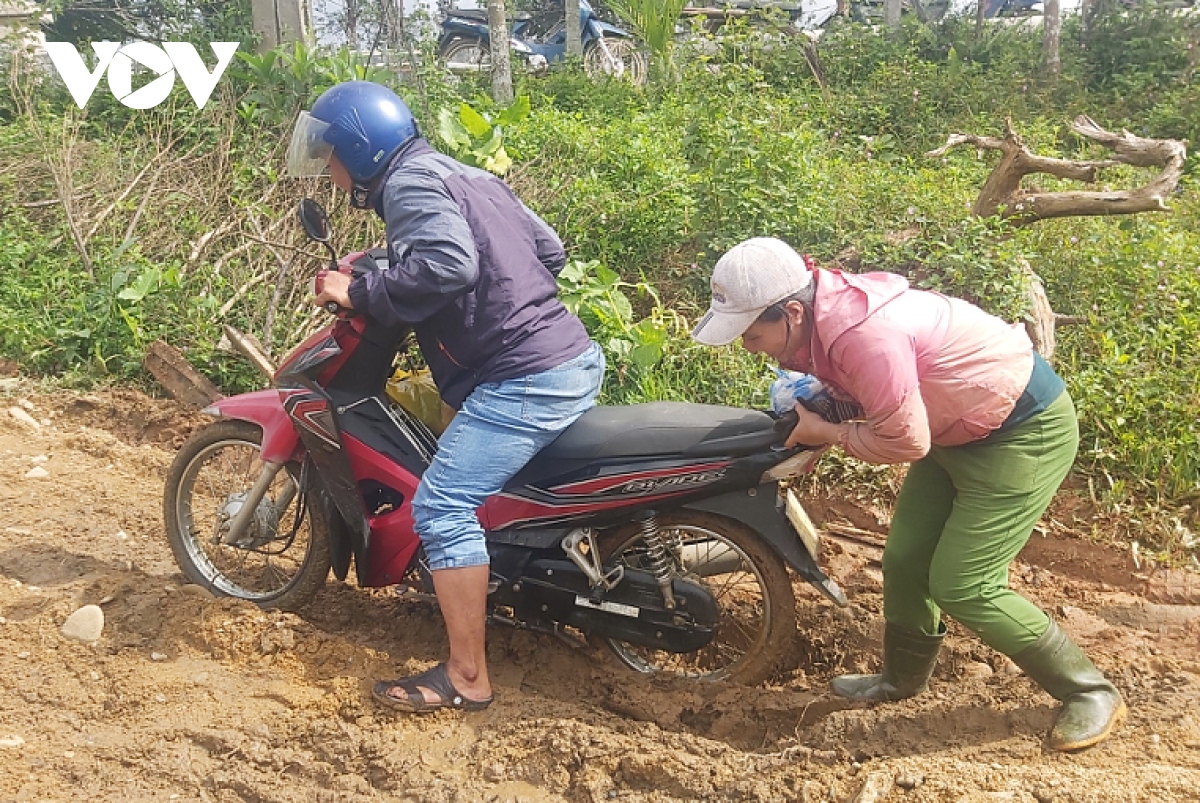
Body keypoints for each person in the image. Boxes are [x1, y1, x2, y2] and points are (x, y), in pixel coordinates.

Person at [691, 237, 1124, 751]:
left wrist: (826, 433)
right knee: (905, 560)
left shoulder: (863, 335)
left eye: (752, 332)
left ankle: (1090, 691)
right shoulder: (820, 315)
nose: (748, 346)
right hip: (954, 430)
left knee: (965, 585)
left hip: (1021, 432)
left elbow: (906, 440)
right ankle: (901, 681)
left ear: (791, 311)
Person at [287, 81, 605, 713]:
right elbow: (548, 250)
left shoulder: (407, 186)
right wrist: (389, 260)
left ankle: (466, 679)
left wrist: (363, 294)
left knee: (441, 506)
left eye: (331, 157)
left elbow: (451, 266)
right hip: (565, 356)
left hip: (523, 377)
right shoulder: (463, 174)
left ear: (358, 150)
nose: (329, 171)